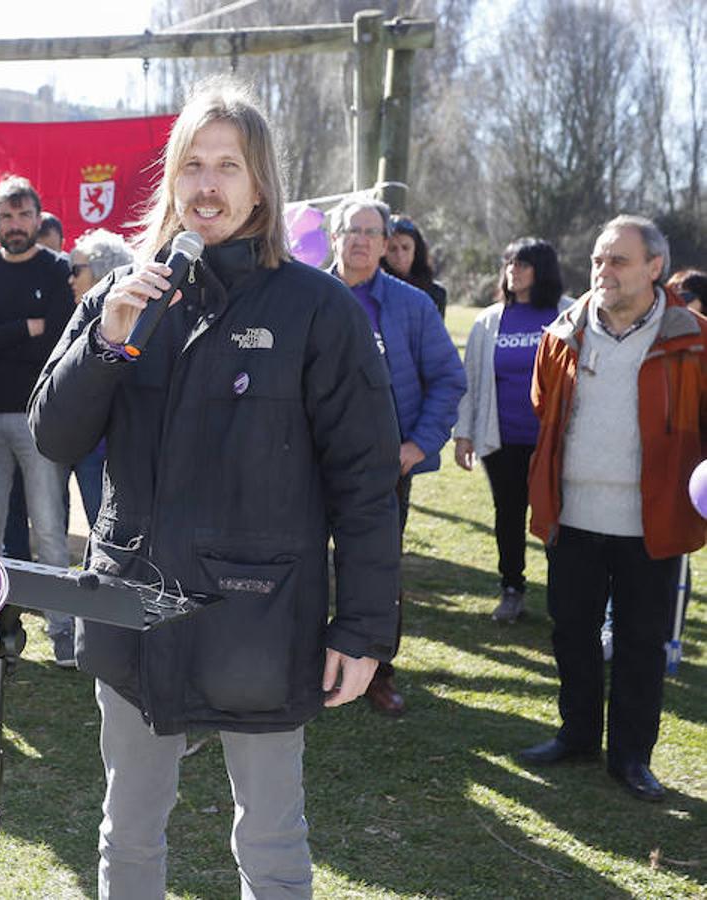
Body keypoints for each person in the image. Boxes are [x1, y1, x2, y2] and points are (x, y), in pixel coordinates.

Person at [29, 77, 401, 899]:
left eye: (227, 166)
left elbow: (367, 486)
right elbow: (53, 436)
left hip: (261, 618)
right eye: (192, 165)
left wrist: (366, 627)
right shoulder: (125, 298)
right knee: (127, 830)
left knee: (269, 841)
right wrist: (107, 341)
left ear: (260, 181)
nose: (207, 185)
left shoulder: (319, 309)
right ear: (170, 181)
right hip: (134, 609)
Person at [520, 215, 706, 803]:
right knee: (571, 633)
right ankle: (576, 736)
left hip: (652, 524)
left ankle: (631, 758)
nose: (604, 271)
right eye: (599, 260)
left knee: (640, 643)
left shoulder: (694, 339)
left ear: (655, 267)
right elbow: (543, 405)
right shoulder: (561, 335)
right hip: (572, 517)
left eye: (619, 261)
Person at [329, 196, 466, 717]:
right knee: (298, 566)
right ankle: (304, 665)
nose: (360, 240)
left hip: (384, 468)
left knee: (376, 571)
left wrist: (417, 446)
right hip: (304, 463)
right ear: (334, 238)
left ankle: (376, 674)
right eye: (351, 230)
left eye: (371, 232)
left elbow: (449, 379)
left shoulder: (412, 306)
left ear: (387, 244)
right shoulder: (305, 295)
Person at [0, 175, 77, 666]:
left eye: (24, 215)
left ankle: (62, 629)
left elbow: (58, 343)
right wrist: (25, 329)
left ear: (39, 219)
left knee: (48, 528)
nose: (16, 225)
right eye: (6, 216)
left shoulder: (55, 269)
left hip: (38, 420)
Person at [454, 238, 566, 623]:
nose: (512, 270)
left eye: (522, 264)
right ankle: (512, 589)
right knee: (509, 515)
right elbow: (469, 380)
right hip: (501, 441)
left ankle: (563, 596)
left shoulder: (567, 315)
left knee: (556, 518)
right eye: (508, 263)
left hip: (553, 443)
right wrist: (463, 434)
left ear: (543, 270)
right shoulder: (489, 320)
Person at [64, 228, 132, 529]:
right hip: (86, 442)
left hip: (110, 450)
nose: (70, 279)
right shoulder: (85, 316)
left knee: (108, 531)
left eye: (76, 270)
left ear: (102, 270)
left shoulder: (132, 320)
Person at [381, 215, 447, 317]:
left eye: (405, 248)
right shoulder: (375, 290)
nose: (400, 255)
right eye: (392, 249)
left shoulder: (436, 294)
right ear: (383, 252)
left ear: (416, 249)